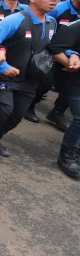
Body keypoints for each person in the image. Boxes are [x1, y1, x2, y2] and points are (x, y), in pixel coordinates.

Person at [0, 0, 62, 161]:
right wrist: (3, 66)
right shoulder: (16, 19)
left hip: (30, 79)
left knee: (17, 115)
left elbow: (52, 47)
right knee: (3, 108)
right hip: (6, 76)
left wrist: (69, 54)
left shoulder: (51, 22)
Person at [47, 16, 80, 179]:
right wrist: (71, 60)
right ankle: (66, 156)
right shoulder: (75, 26)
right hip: (75, 81)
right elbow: (55, 47)